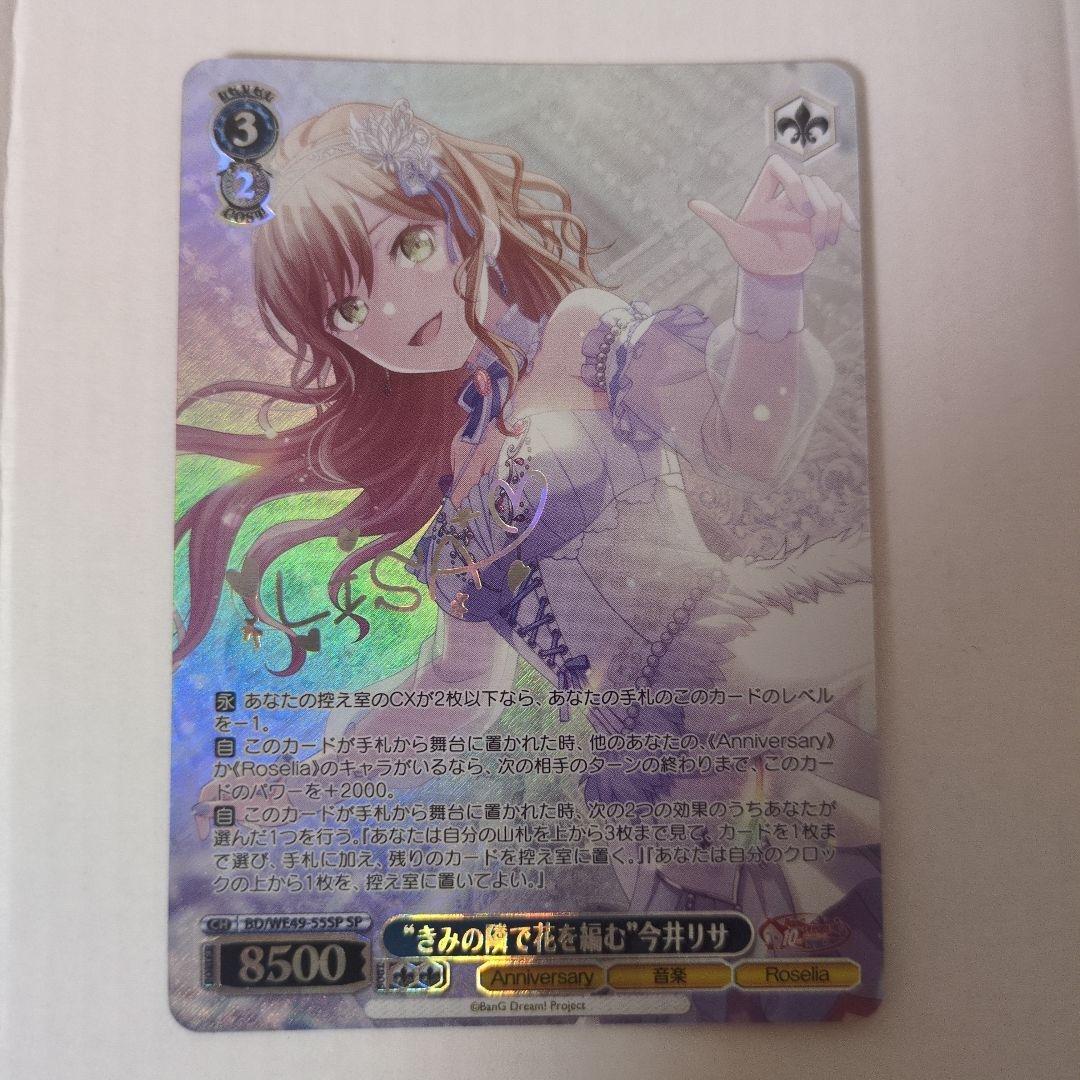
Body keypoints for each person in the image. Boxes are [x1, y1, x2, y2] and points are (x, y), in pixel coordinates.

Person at [181, 100, 879, 1018]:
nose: (392, 309)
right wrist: (302, 785)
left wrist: (773, 289)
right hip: (648, 789)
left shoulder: (581, 334)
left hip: (748, 680)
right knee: (777, 1013)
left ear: (458, 218)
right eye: (349, 308)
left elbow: (747, 442)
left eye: (408, 247)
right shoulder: (444, 485)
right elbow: (458, 695)